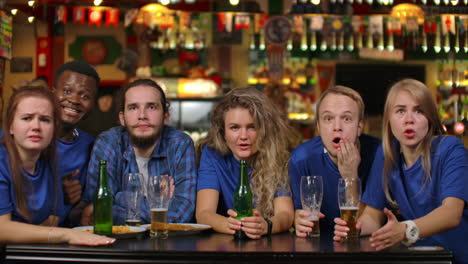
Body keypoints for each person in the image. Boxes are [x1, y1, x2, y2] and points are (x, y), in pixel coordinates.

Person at [333, 79, 468, 263]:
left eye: (419, 111)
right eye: (400, 111)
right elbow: (372, 216)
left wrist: (405, 229)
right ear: (388, 120)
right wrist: (355, 228)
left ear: (430, 117)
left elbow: (452, 214)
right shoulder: (388, 153)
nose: (409, 120)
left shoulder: (450, 148)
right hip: (423, 259)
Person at [0, 86, 113, 245]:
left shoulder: (50, 163)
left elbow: (53, 221)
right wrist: (64, 234)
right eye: (26, 118)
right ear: (11, 126)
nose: (36, 127)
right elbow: (2, 229)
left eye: (45, 120)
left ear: (54, 128)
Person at [81, 78, 197, 226]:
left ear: (166, 116)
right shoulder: (108, 142)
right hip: (117, 244)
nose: (142, 115)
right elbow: (97, 209)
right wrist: (158, 202)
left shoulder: (180, 144)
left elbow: (180, 215)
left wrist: (117, 197)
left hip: (168, 243)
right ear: (122, 118)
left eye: (152, 107)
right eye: (133, 107)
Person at [196, 87, 298, 239]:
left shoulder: (278, 154)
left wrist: (266, 225)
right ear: (223, 132)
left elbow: (286, 214)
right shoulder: (212, 154)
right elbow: (204, 213)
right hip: (227, 244)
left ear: (264, 130)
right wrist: (232, 225)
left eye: (252, 127)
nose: (243, 136)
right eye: (234, 128)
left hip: (266, 245)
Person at [289, 85, 380, 237]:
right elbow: (299, 215)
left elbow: (370, 222)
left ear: (359, 127)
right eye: (328, 118)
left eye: (346, 118)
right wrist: (297, 220)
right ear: (318, 126)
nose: (337, 127)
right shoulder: (301, 159)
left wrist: (350, 176)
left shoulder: (378, 154)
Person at [52, 61, 100, 222]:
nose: (74, 99)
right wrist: (57, 192)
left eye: (85, 96)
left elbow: (83, 203)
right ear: (52, 92)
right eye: (67, 91)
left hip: (69, 238)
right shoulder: (28, 137)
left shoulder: (90, 144)